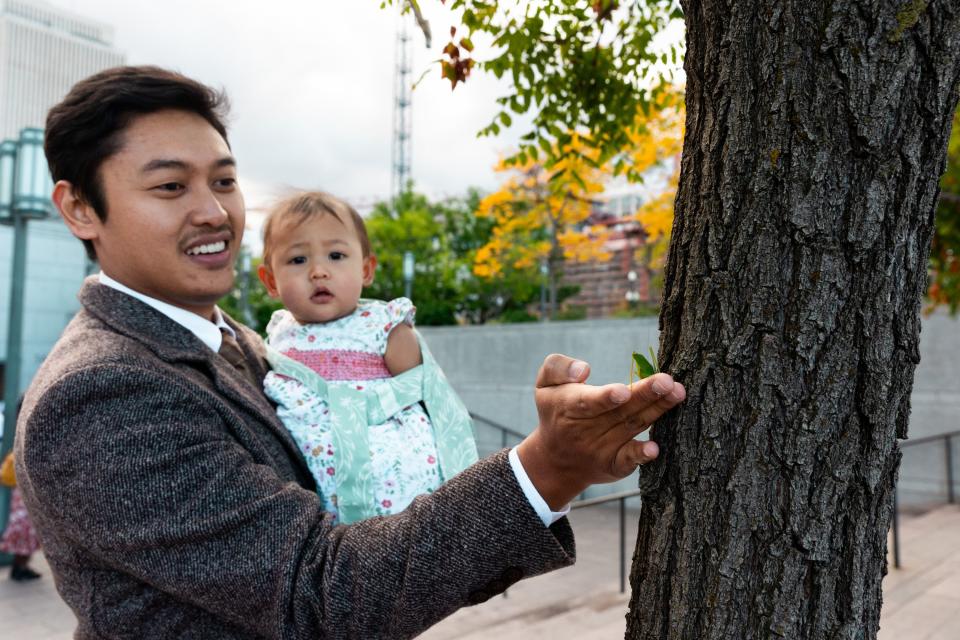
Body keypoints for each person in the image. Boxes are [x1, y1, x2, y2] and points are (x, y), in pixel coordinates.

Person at [15, 66, 685, 638]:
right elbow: (322, 591)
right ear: (79, 210)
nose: (214, 212)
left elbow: (379, 551)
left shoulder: (247, 343)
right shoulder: (103, 393)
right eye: (170, 187)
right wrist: (542, 468)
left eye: (223, 181)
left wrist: (551, 473)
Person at [256, 191, 478, 524]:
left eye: (336, 255)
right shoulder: (277, 334)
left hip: (390, 474)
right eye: (298, 260)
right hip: (311, 488)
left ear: (366, 269)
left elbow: (426, 392)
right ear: (271, 281)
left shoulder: (382, 325)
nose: (318, 271)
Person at [0, 451, 41, 581]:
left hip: (22, 501)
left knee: (25, 538)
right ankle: (19, 569)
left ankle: (21, 567)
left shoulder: (16, 454)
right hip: (26, 504)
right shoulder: (28, 456)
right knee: (25, 537)